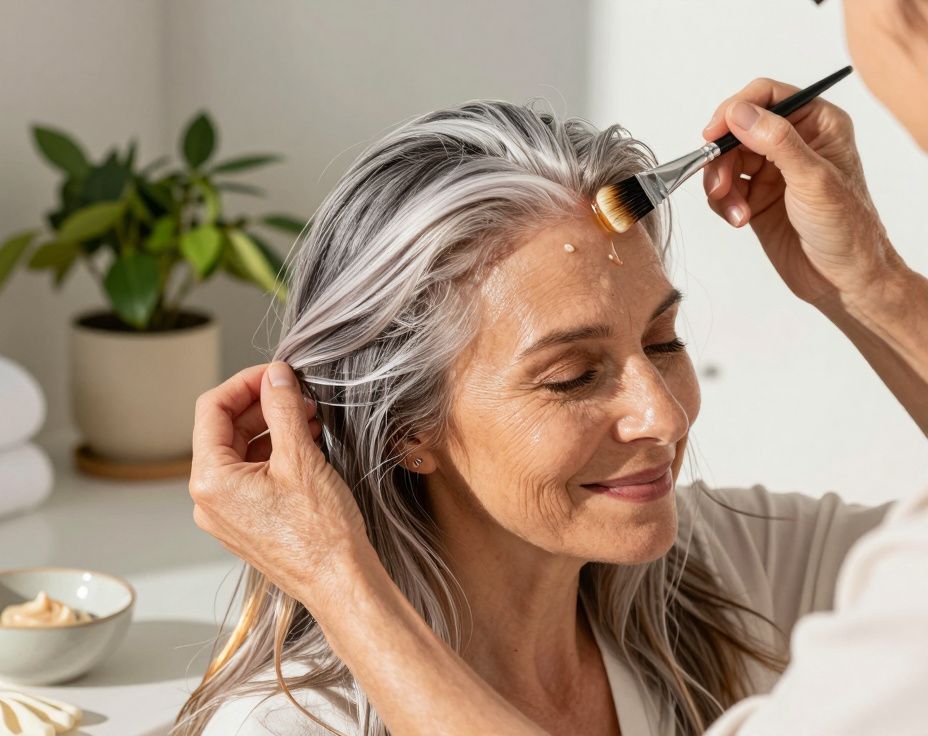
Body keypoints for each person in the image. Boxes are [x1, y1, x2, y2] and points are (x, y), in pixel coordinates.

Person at [181, 1, 928, 732]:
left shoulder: (727, 573)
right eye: (573, 376)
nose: (664, 415)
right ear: (409, 427)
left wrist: (872, 283)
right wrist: (330, 572)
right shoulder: (297, 727)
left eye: (663, 342)